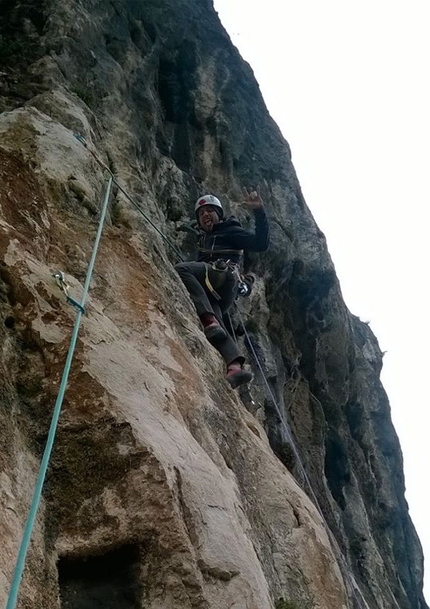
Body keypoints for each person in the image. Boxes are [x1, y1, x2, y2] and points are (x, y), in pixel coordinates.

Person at [175, 187, 269, 389]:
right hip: (221, 292)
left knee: (182, 270)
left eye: (209, 211)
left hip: (224, 275)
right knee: (217, 318)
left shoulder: (230, 230)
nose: (205, 215)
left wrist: (259, 213)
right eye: (201, 214)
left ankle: (208, 320)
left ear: (219, 214)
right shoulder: (204, 239)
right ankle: (235, 367)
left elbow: (261, 244)